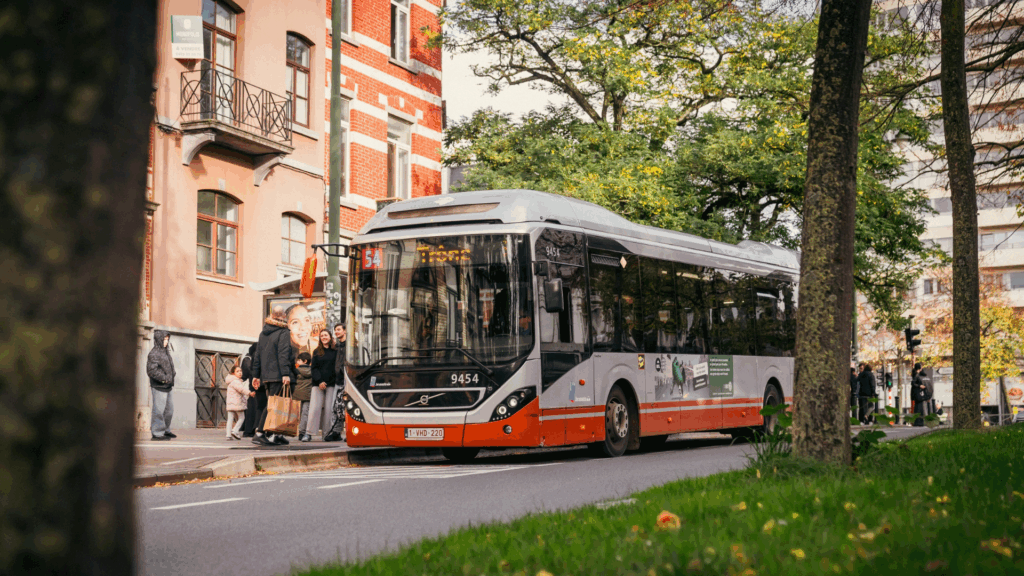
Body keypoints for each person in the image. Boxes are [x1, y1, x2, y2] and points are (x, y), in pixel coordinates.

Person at [251, 306, 295, 446]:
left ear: (272, 315)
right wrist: (285, 373)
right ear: (283, 316)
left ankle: (276, 434)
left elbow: (257, 354)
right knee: (273, 405)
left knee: (275, 405)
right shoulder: (283, 332)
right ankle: (260, 433)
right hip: (279, 375)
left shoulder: (263, 332)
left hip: (267, 375)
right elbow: (283, 353)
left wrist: (256, 375)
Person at [146, 330, 176, 441]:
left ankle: (166, 430)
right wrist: (165, 379)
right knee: (159, 411)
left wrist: (173, 374)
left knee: (169, 411)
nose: (166, 342)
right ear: (159, 340)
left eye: (167, 339)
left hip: (168, 386)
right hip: (159, 386)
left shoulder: (166, 352)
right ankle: (157, 433)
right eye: (164, 339)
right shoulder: (154, 353)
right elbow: (151, 371)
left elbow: (169, 367)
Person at [309, 329, 338, 441]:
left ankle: (327, 433)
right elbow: (314, 368)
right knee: (314, 409)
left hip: (331, 384)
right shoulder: (316, 351)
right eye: (321, 336)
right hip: (318, 383)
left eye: (326, 335)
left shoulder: (335, 351)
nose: (324, 337)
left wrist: (331, 381)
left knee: (329, 410)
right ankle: (309, 433)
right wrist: (320, 381)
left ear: (330, 337)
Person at [325, 323, 348, 442]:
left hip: (348, 381)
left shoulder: (351, 346)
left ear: (345, 331)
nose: (336, 332)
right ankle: (336, 432)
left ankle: (349, 432)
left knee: (347, 407)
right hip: (338, 381)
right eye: (335, 330)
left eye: (339, 329)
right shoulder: (336, 347)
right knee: (335, 407)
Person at [294, 352, 314, 442]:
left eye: (299, 360)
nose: (297, 362)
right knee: (306, 413)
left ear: (305, 361)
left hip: (297, 395)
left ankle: (300, 431)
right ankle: (302, 432)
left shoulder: (296, 370)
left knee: (299, 414)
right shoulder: (312, 371)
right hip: (308, 395)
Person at [240, 342, 259, 437]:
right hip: (254, 386)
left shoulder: (249, 358)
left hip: (253, 385)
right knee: (253, 408)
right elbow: (248, 372)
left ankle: (249, 429)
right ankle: (249, 430)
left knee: (252, 408)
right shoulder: (249, 359)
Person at [224, 365, 247, 440]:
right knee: (242, 417)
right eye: (237, 371)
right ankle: (235, 430)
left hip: (230, 403)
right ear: (233, 373)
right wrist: (249, 393)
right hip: (237, 403)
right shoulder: (236, 381)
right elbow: (241, 390)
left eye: (240, 371)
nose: (240, 373)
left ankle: (228, 435)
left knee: (230, 419)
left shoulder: (230, 381)